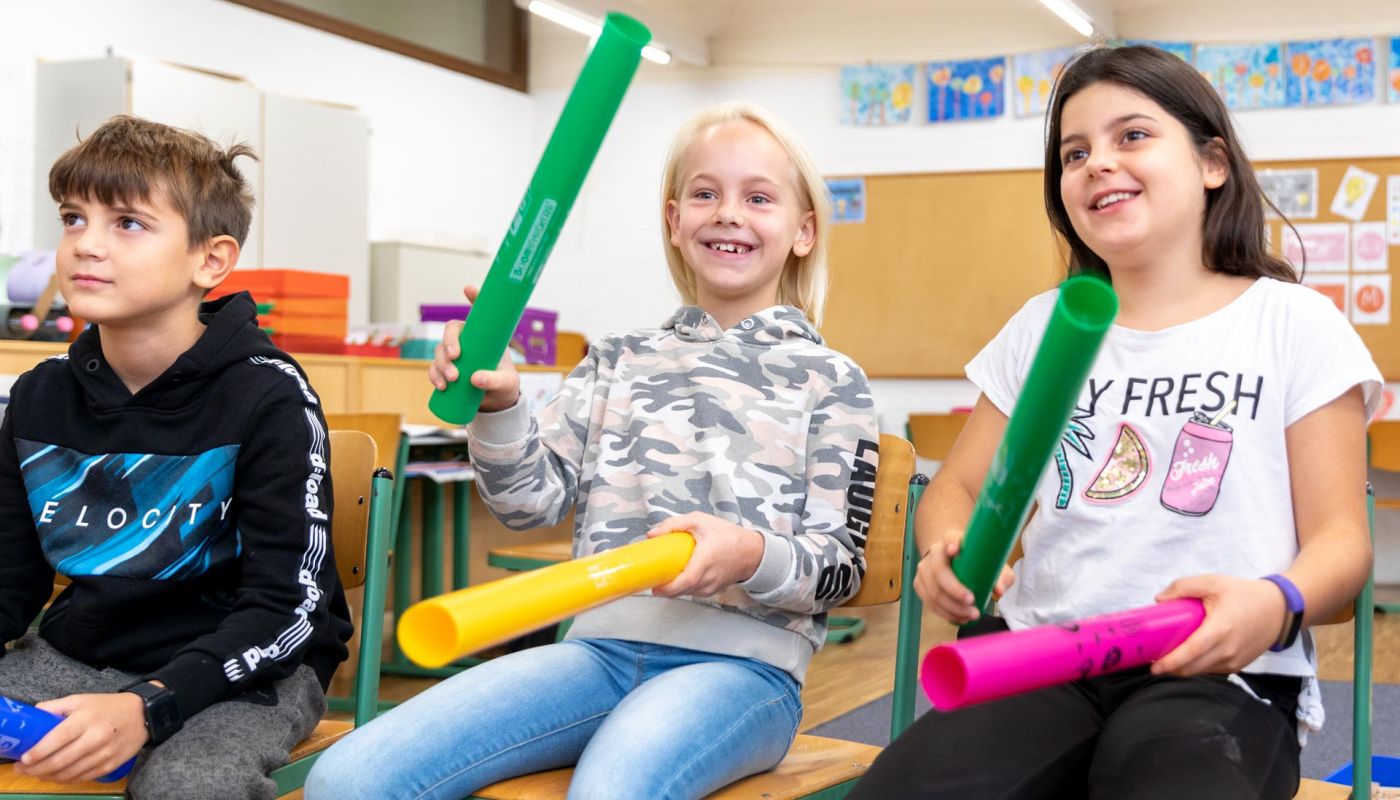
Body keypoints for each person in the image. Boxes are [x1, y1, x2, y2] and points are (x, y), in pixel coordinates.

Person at [306, 101, 881, 800]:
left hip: (747, 673)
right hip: (594, 654)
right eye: (706, 194)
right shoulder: (618, 358)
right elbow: (527, 504)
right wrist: (500, 404)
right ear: (675, 220)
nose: (729, 214)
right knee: (347, 778)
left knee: (610, 790)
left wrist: (748, 553)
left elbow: (840, 569)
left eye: (758, 198)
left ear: (804, 231)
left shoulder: (832, 380)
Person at [851, 45, 1381, 800]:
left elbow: (1342, 543)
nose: (1097, 162)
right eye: (1074, 153)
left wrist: (1275, 603)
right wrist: (948, 547)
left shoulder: (1295, 323)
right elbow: (957, 490)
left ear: (1212, 164)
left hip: (1220, 673)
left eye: (1132, 135)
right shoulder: (1042, 327)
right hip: (1038, 657)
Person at [0, 115, 351, 800]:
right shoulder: (41, 395)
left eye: (128, 223)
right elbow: (9, 581)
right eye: (73, 218)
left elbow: (287, 609)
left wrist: (150, 705)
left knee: (187, 785)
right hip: (79, 655)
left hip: (245, 672)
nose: (86, 244)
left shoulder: (269, 395)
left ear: (210, 261)